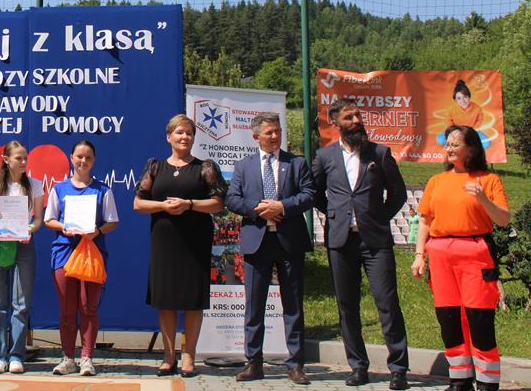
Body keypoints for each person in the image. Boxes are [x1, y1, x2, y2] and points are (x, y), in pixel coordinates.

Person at [313, 98, 409, 389]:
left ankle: (398, 369)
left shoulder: (379, 153)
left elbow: (398, 194)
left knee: (387, 303)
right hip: (340, 242)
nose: (356, 121)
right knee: (347, 306)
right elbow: (315, 193)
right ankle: (357, 366)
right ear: (335, 123)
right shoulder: (324, 157)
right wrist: (335, 214)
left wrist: (377, 217)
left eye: (358, 115)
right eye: (349, 117)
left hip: (375, 242)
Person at [411, 125, 510, 391]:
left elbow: (503, 219)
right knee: (449, 317)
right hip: (441, 255)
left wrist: (483, 199)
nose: (449, 148)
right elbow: (425, 221)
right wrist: (420, 255)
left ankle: (487, 382)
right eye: (447, 144)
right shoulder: (437, 181)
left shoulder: (488, 180)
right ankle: (460, 379)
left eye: (455, 144)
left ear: (471, 149)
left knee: (478, 319)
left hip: (475, 252)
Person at [133, 114, 227, 378]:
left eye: (189, 133)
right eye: (179, 132)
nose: (184, 137)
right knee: (166, 299)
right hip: (164, 242)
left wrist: (190, 204)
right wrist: (163, 206)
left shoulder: (205, 167)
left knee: (193, 301)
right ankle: (168, 356)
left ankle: (189, 356)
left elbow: (219, 203)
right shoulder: (155, 167)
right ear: (169, 137)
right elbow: (138, 203)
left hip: (195, 242)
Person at [226, 113, 313, 385]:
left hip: (290, 243)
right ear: (256, 137)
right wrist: (259, 209)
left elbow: (309, 194)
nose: (275, 136)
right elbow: (232, 198)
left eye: (277, 131)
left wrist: (282, 206)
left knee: (293, 306)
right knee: (254, 307)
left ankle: (296, 365)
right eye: (269, 133)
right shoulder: (243, 166)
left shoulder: (296, 163)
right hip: (257, 243)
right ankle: (253, 363)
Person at [44, 140, 119, 377]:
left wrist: (97, 231)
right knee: (67, 310)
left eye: (88, 157)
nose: (83, 161)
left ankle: (87, 358)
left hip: (91, 254)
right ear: (71, 158)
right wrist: (64, 227)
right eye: (79, 156)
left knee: (88, 307)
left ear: (94, 161)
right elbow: (49, 220)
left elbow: (112, 221)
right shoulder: (59, 189)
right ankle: (68, 358)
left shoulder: (103, 190)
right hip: (64, 254)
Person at [0, 141, 43, 374]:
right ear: (6, 160)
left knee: (21, 303)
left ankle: (17, 355)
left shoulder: (34, 185)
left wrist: (30, 230)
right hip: (0, 245)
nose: (24, 162)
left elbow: (38, 220)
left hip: (24, 245)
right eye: (19, 158)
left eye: (25, 157)